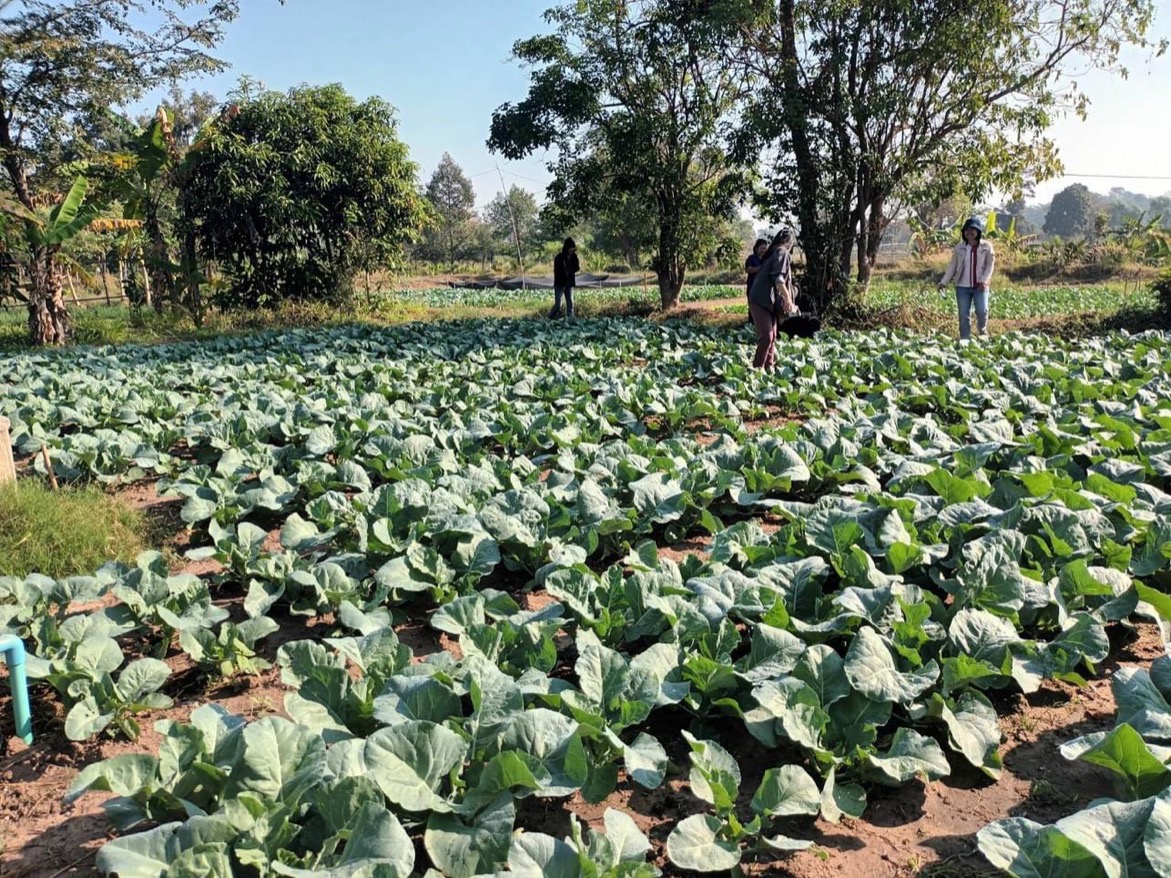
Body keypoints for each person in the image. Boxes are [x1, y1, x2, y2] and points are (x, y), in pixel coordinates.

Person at [939, 216, 995, 339]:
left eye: (972, 229)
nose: (969, 232)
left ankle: (983, 333)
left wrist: (984, 281)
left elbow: (990, 266)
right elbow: (953, 266)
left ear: (978, 231)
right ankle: (965, 339)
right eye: (967, 230)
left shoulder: (987, 246)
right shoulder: (959, 248)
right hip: (962, 287)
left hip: (980, 286)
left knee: (982, 311)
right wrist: (943, 282)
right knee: (964, 314)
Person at [747, 229, 796, 369]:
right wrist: (788, 299)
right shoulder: (782, 251)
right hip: (760, 300)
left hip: (768, 301)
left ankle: (769, 368)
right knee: (767, 337)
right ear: (790, 243)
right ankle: (757, 370)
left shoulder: (774, 252)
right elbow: (778, 279)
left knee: (773, 337)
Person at [549, 237, 580, 320]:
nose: (572, 251)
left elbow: (577, 268)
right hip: (560, 283)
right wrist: (564, 272)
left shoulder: (574, 257)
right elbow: (557, 271)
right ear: (567, 248)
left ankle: (570, 319)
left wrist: (570, 268)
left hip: (569, 283)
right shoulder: (559, 258)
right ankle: (550, 317)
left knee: (570, 302)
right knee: (558, 304)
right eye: (571, 249)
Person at [745, 238, 768, 314]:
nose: (763, 250)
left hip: (763, 288)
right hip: (752, 287)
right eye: (761, 248)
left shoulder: (767, 259)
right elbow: (748, 269)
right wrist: (761, 268)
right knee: (753, 308)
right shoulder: (751, 258)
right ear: (756, 248)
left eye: (765, 248)